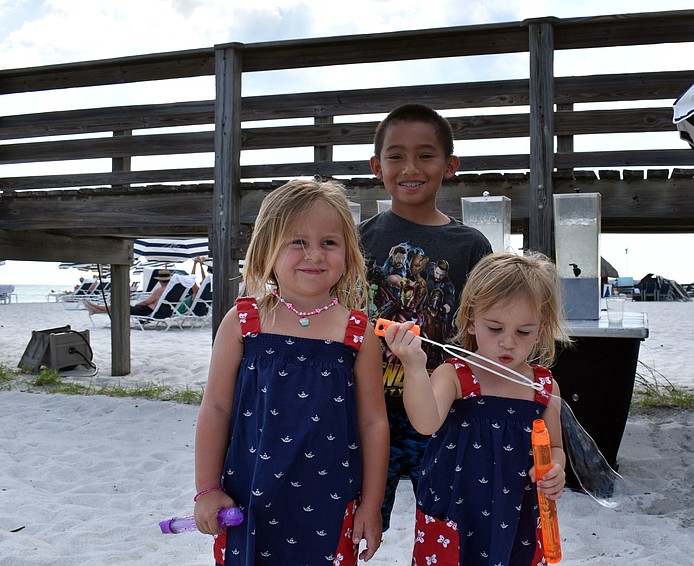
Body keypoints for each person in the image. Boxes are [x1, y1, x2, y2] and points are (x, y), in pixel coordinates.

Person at [193, 179, 389, 565]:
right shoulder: (242, 322)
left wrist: (372, 504)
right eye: (297, 241)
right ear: (267, 248)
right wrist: (207, 489)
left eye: (329, 242)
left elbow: (373, 423)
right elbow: (215, 408)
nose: (314, 255)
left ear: (348, 253)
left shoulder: (358, 332)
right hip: (249, 496)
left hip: (332, 501)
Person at [381, 251, 567, 565]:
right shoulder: (455, 375)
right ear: (470, 321)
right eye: (495, 328)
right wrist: (413, 367)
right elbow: (425, 422)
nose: (508, 342)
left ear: (540, 330)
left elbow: (555, 447)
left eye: (523, 332)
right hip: (456, 510)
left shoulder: (543, 386)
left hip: (517, 515)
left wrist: (555, 469)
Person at [358, 103, 493, 531]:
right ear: (377, 167)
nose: (410, 167)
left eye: (426, 155)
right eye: (396, 156)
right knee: (356, 523)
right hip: (367, 410)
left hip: (441, 413)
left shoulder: (470, 245)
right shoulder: (356, 239)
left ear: (450, 165)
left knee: (447, 527)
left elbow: (485, 331)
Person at [82, 268, 171, 316]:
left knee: (119, 307)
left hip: (146, 311)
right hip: (158, 311)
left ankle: (95, 307)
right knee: (121, 308)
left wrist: (138, 304)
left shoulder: (160, 290)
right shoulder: (170, 290)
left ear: (159, 280)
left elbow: (146, 302)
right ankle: (95, 310)